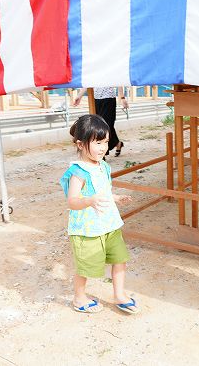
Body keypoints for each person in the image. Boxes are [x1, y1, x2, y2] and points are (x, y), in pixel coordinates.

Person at [59, 114, 138, 314]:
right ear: (80, 144)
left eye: (105, 142)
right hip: (88, 229)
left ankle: (119, 294)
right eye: (97, 142)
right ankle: (79, 298)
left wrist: (116, 197)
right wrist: (90, 201)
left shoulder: (103, 165)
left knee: (120, 259)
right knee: (85, 267)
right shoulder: (78, 172)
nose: (103, 148)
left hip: (109, 223)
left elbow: (102, 190)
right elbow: (72, 201)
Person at [73, 87, 129, 157]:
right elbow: (88, 83)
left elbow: (118, 82)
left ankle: (103, 154)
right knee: (101, 125)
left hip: (109, 99)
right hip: (96, 100)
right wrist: (79, 96)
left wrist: (122, 98)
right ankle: (117, 143)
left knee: (105, 125)